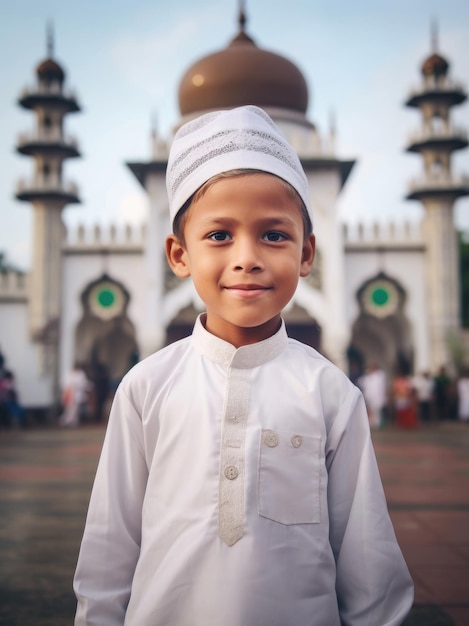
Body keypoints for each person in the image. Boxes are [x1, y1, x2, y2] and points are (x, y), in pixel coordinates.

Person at [74, 106, 413, 626]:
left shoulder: (329, 393)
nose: (247, 257)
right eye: (219, 235)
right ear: (178, 254)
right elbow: (108, 550)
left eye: (274, 235)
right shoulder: (146, 387)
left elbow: (368, 565)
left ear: (307, 253)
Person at [59, 362, 90, 428]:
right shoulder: (69, 374)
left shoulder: (81, 374)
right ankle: (67, 420)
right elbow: (65, 383)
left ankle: (72, 421)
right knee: (68, 408)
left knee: (75, 409)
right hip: (69, 393)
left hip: (77, 394)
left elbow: (83, 383)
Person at [357, 361, 387, 428]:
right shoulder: (368, 377)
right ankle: (373, 423)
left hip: (377, 397)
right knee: (371, 411)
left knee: (377, 411)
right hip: (370, 397)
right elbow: (360, 382)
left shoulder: (380, 375)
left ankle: (378, 423)